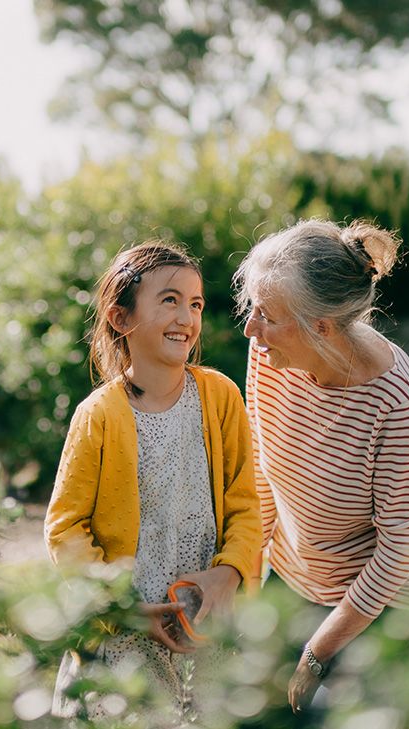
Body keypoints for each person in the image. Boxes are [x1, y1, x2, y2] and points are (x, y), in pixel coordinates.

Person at [233, 219, 409, 713]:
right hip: (299, 569)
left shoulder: (399, 405)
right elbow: (264, 467)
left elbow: (399, 550)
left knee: (332, 714)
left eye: (265, 314)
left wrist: (316, 654)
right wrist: (244, 577)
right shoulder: (269, 352)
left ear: (322, 328)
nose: (250, 328)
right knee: (253, 703)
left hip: (388, 591)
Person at [45, 241, 261, 721]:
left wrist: (228, 575)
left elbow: (246, 504)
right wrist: (123, 609)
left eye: (196, 303)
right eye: (169, 299)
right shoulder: (97, 416)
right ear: (121, 318)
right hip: (128, 634)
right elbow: (65, 529)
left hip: (208, 628)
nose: (186, 316)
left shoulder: (221, 398)